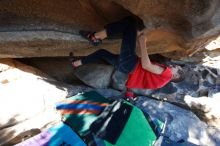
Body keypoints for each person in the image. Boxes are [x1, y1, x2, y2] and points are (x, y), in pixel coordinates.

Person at [70, 16, 184, 99]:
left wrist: (142, 42)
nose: (175, 66)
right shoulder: (162, 81)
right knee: (102, 53)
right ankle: (76, 63)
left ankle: (95, 37)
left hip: (131, 64)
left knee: (130, 23)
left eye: (177, 68)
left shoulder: (167, 74)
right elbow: (142, 79)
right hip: (126, 69)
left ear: (175, 75)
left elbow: (146, 65)